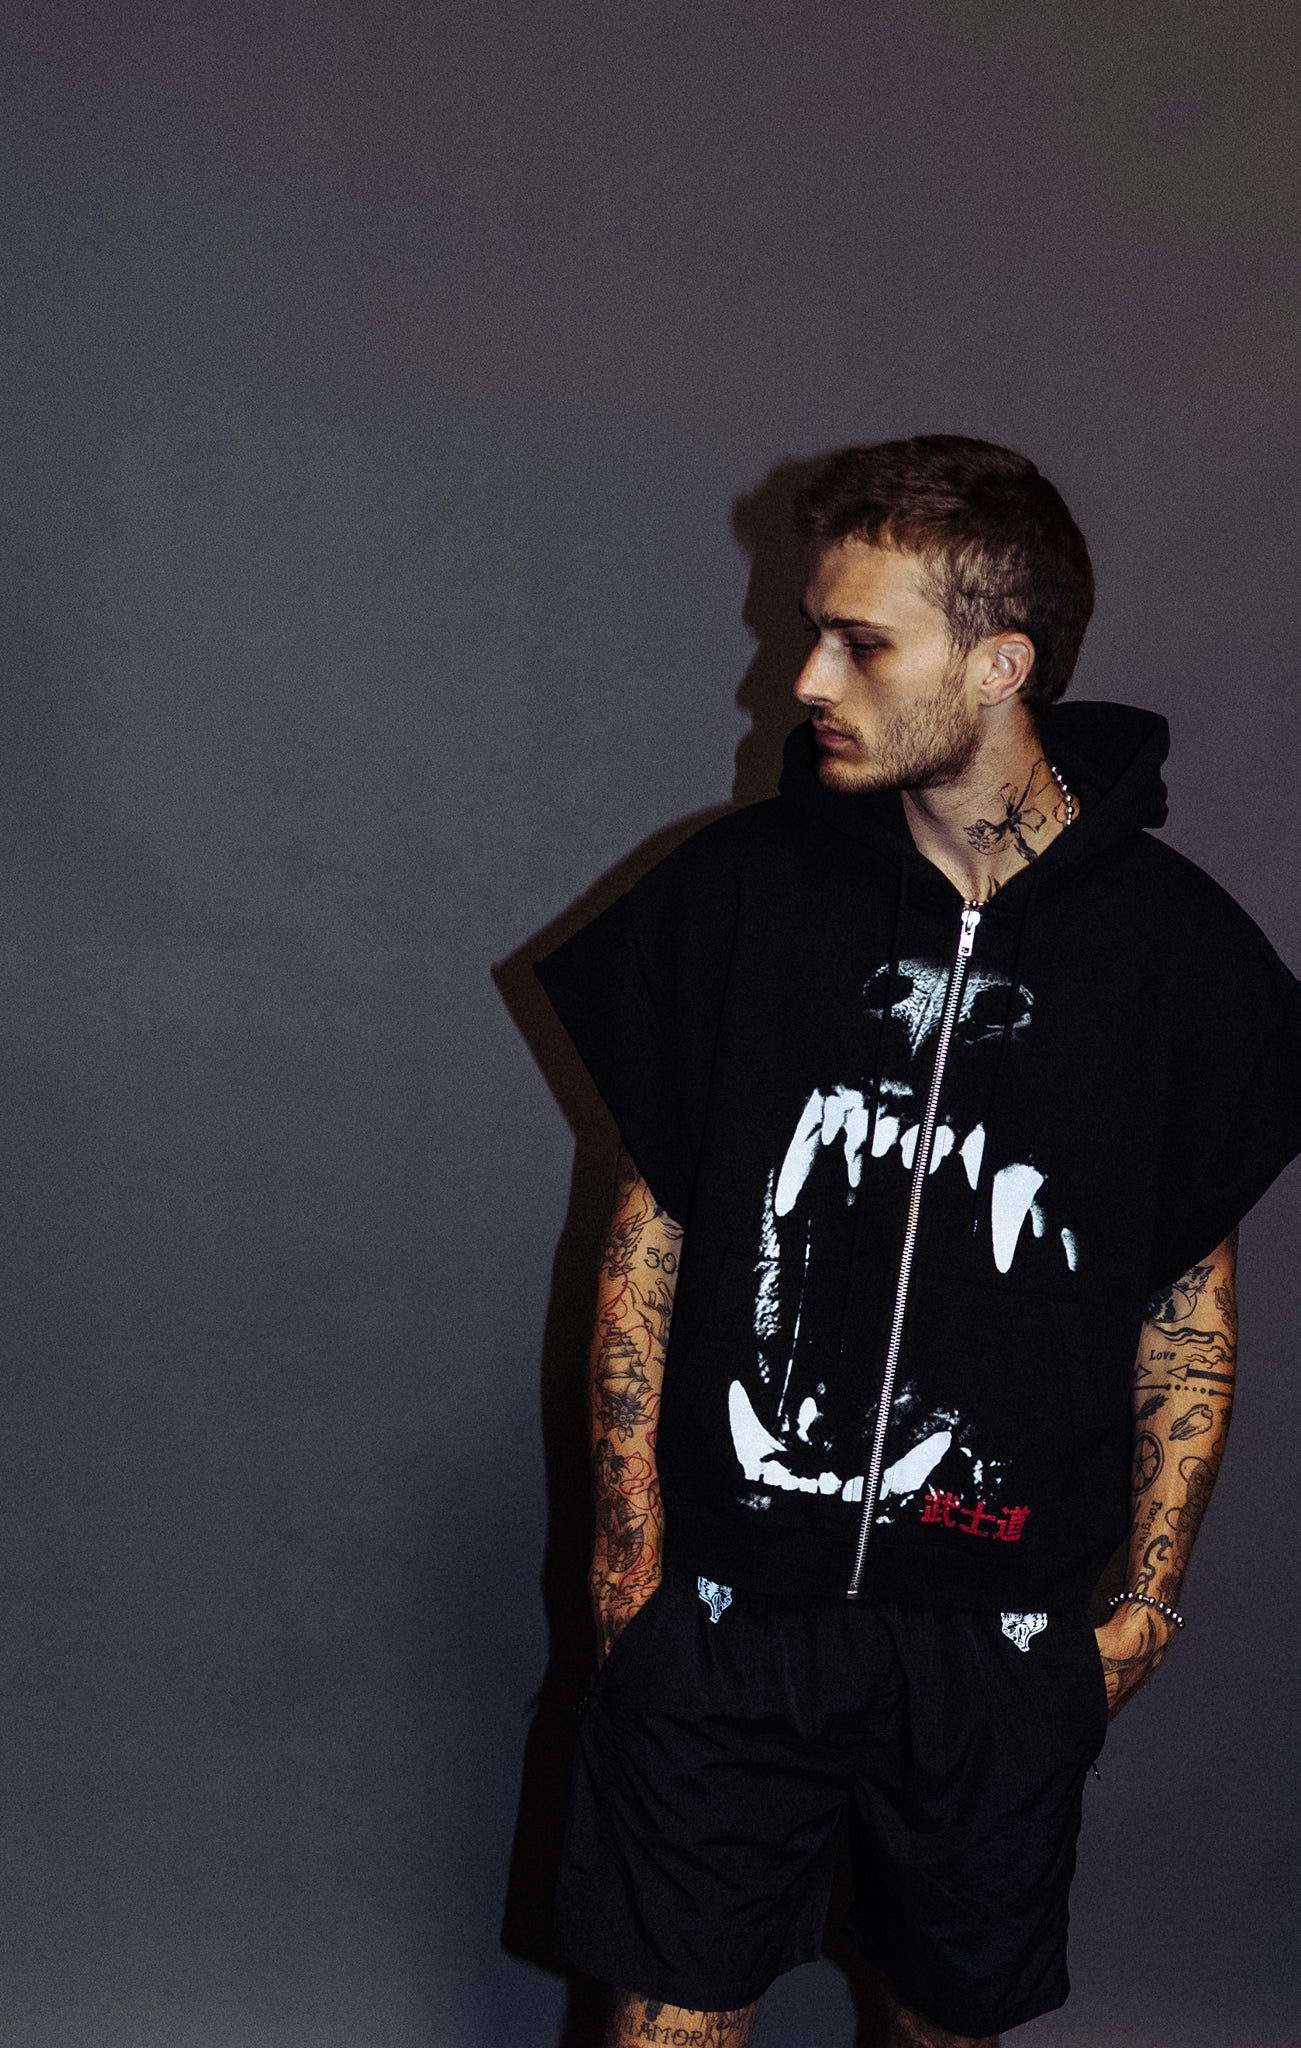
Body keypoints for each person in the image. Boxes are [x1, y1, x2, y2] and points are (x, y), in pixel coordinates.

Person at [531, 435, 1301, 2048]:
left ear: (998, 663)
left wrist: (1142, 1610)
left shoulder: (1180, 963)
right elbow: (645, 1249)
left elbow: (1185, 1308)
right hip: (727, 1617)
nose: (803, 678)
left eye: (857, 642)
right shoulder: (734, 899)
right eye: (813, 633)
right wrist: (627, 1576)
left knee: (944, 2030)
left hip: (997, 1639)